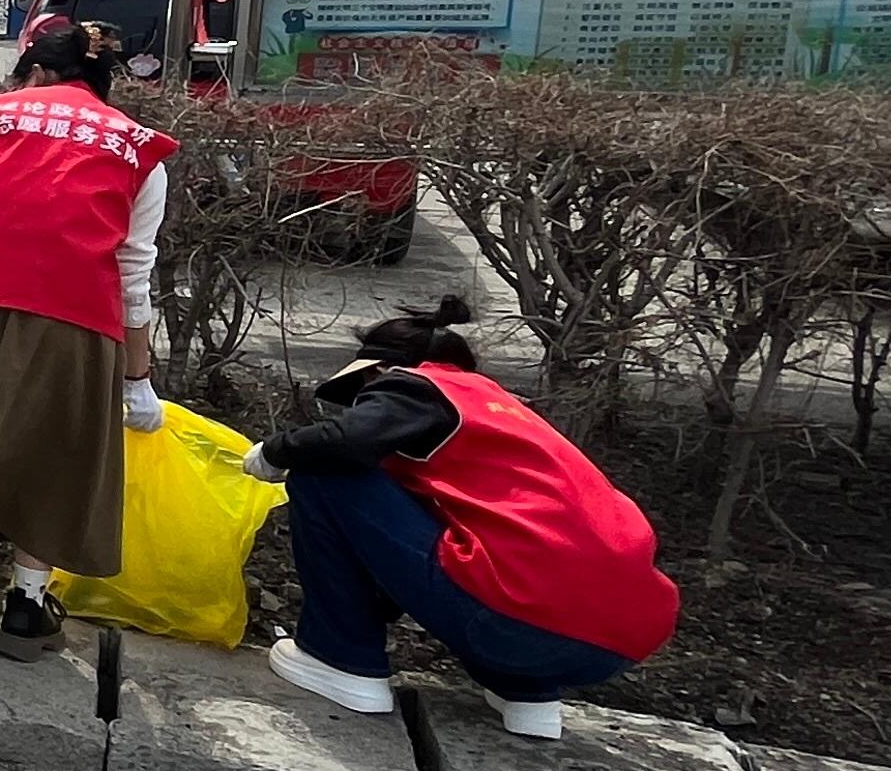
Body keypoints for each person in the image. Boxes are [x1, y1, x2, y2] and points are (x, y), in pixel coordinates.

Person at [247, 300, 678, 740]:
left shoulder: (416, 387)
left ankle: (339, 660)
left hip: (513, 621)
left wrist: (276, 451)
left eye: (361, 395)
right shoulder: (505, 414)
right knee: (507, 559)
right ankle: (527, 693)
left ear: (379, 373)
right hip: (613, 646)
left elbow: (344, 442)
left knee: (323, 471)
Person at [0, 17, 172, 661]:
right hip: (72, 318)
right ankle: (26, 605)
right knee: (53, 455)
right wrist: (138, 380)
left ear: (39, 75)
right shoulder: (139, 150)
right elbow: (133, 278)